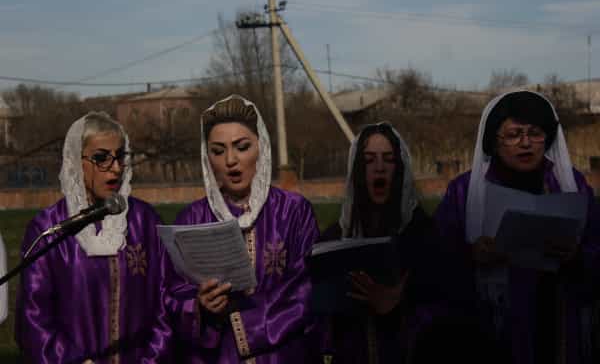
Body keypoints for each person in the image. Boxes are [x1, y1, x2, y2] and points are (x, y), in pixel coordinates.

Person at [434, 90, 600, 364]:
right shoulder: (464, 192)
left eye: (535, 133)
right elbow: (435, 258)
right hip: (488, 329)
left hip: (555, 322)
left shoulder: (571, 185)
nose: (526, 143)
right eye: (514, 134)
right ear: (494, 140)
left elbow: (595, 244)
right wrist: (471, 254)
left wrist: (577, 258)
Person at [16, 112, 178, 363]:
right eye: (101, 158)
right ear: (75, 161)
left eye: (120, 156)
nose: (115, 168)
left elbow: (166, 303)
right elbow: (33, 316)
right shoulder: (49, 228)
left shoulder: (145, 221)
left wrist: (150, 359)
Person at [173, 95, 321, 363]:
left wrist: (246, 325)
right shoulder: (191, 218)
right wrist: (198, 306)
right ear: (207, 157)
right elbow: (172, 293)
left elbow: (307, 287)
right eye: (218, 151)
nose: (231, 160)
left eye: (242, 147)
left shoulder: (294, 212)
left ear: (260, 147)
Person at [319, 122, 445, 364]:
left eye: (388, 160)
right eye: (369, 160)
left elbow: (445, 310)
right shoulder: (334, 238)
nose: (379, 168)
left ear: (399, 169)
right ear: (357, 170)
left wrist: (400, 302)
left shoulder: (424, 234)